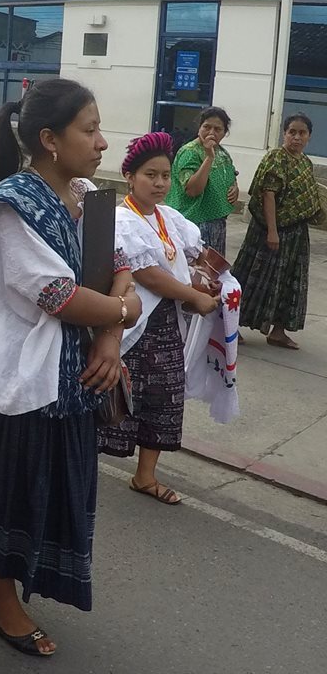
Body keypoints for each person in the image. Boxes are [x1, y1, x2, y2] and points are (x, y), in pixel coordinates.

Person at [0, 78, 143, 657]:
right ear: (50, 139)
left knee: (52, 486)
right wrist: (122, 312)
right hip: (25, 379)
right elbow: (58, 295)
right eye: (91, 128)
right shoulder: (14, 205)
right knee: (15, 488)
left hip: (73, 375)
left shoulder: (85, 194)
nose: (103, 142)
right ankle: (3, 597)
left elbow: (118, 264)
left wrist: (109, 335)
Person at [100, 132, 220, 505]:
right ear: (129, 177)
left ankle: (145, 476)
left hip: (168, 325)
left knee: (165, 397)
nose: (159, 183)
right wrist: (195, 298)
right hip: (133, 326)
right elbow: (147, 273)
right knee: (117, 395)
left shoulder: (170, 217)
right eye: (150, 175)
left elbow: (199, 254)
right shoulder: (121, 220)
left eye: (165, 176)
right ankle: (81, 466)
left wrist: (221, 284)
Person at [233, 113, 323, 350]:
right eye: (292, 132)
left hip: (296, 233)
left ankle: (278, 331)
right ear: (284, 133)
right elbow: (268, 194)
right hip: (268, 231)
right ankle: (230, 326)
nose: (296, 137)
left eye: (302, 133)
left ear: (309, 136)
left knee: (290, 281)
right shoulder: (276, 158)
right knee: (254, 277)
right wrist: (272, 232)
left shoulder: (304, 163)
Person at [166, 107, 239, 256]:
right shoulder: (190, 152)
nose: (211, 132)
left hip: (216, 223)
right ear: (199, 127)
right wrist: (208, 158)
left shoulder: (222, 152)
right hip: (195, 224)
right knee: (198, 270)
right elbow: (193, 190)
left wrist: (235, 188)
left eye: (218, 129)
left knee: (213, 272)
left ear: (225, 133)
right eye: (207, 127)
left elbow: (230, 173)